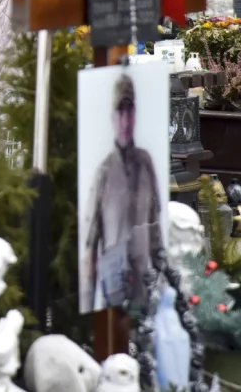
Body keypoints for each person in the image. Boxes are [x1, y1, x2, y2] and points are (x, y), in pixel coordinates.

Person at [81, 74, 162, 314]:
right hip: (114, 294)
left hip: (143, 290)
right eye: (120, 112)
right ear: (112, 118)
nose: (125, 120)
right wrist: (87, 308)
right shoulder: (104, 172)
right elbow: (90, 248)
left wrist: (166, 287)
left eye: (130, 111)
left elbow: (155, 230)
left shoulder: (145, 164)